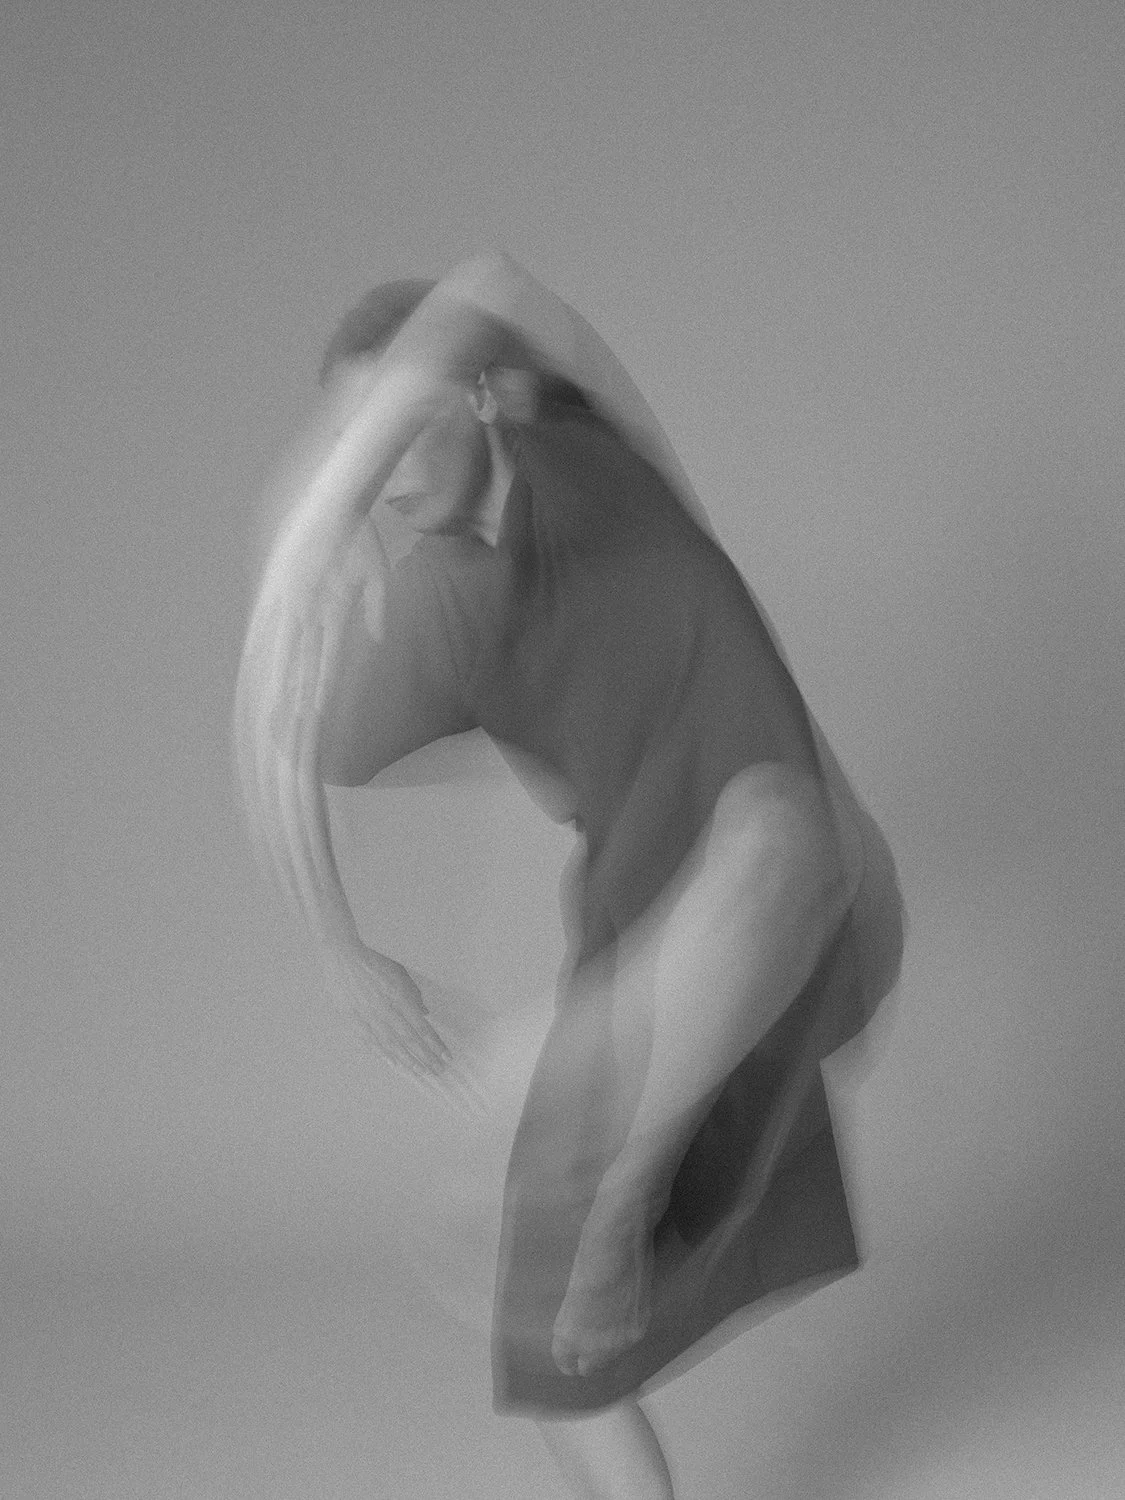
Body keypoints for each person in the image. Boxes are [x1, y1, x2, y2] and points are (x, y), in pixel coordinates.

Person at [232, 253, 906, 1499]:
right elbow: (281, 735)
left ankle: (611, 1183)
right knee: (550, 1355)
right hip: (647, 969)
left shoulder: (588, 460)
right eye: (359, 452)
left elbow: (492, 288)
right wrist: (339, 945)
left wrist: (319, 489)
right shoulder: (441, 611)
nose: (384, 475)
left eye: (399, 432)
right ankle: (581, 1153)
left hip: (800, 905)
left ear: (485, 395)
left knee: (775, 828)